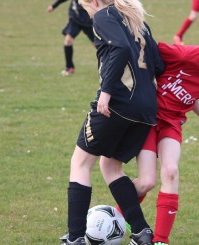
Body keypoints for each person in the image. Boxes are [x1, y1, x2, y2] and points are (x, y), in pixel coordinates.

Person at [113, 18, 199, 245]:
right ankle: (114, 216)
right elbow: (147, 53)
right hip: (147, 120)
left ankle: (160, 240)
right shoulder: (183, 55)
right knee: (147, 182)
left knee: (170, 171)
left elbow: (191, 98)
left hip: (172, 123)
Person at [58, 0, 164, 244]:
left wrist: (106, 91)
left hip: (117, 104)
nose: (86, 11)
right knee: (110, 167)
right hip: (146, 110)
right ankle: (141, 232)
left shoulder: (104, 15)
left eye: (85, 6)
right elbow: (158, 65)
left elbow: (119, 47)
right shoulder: (138, 20)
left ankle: (75, 239)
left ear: (93, 2)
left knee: (80, 164)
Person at [47, 0, 95, 76]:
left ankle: (110, 66)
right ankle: (69, 67)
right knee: (68, 40)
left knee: (98, 45)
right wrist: (53, 6)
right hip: (75, 18)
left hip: (88, 19)